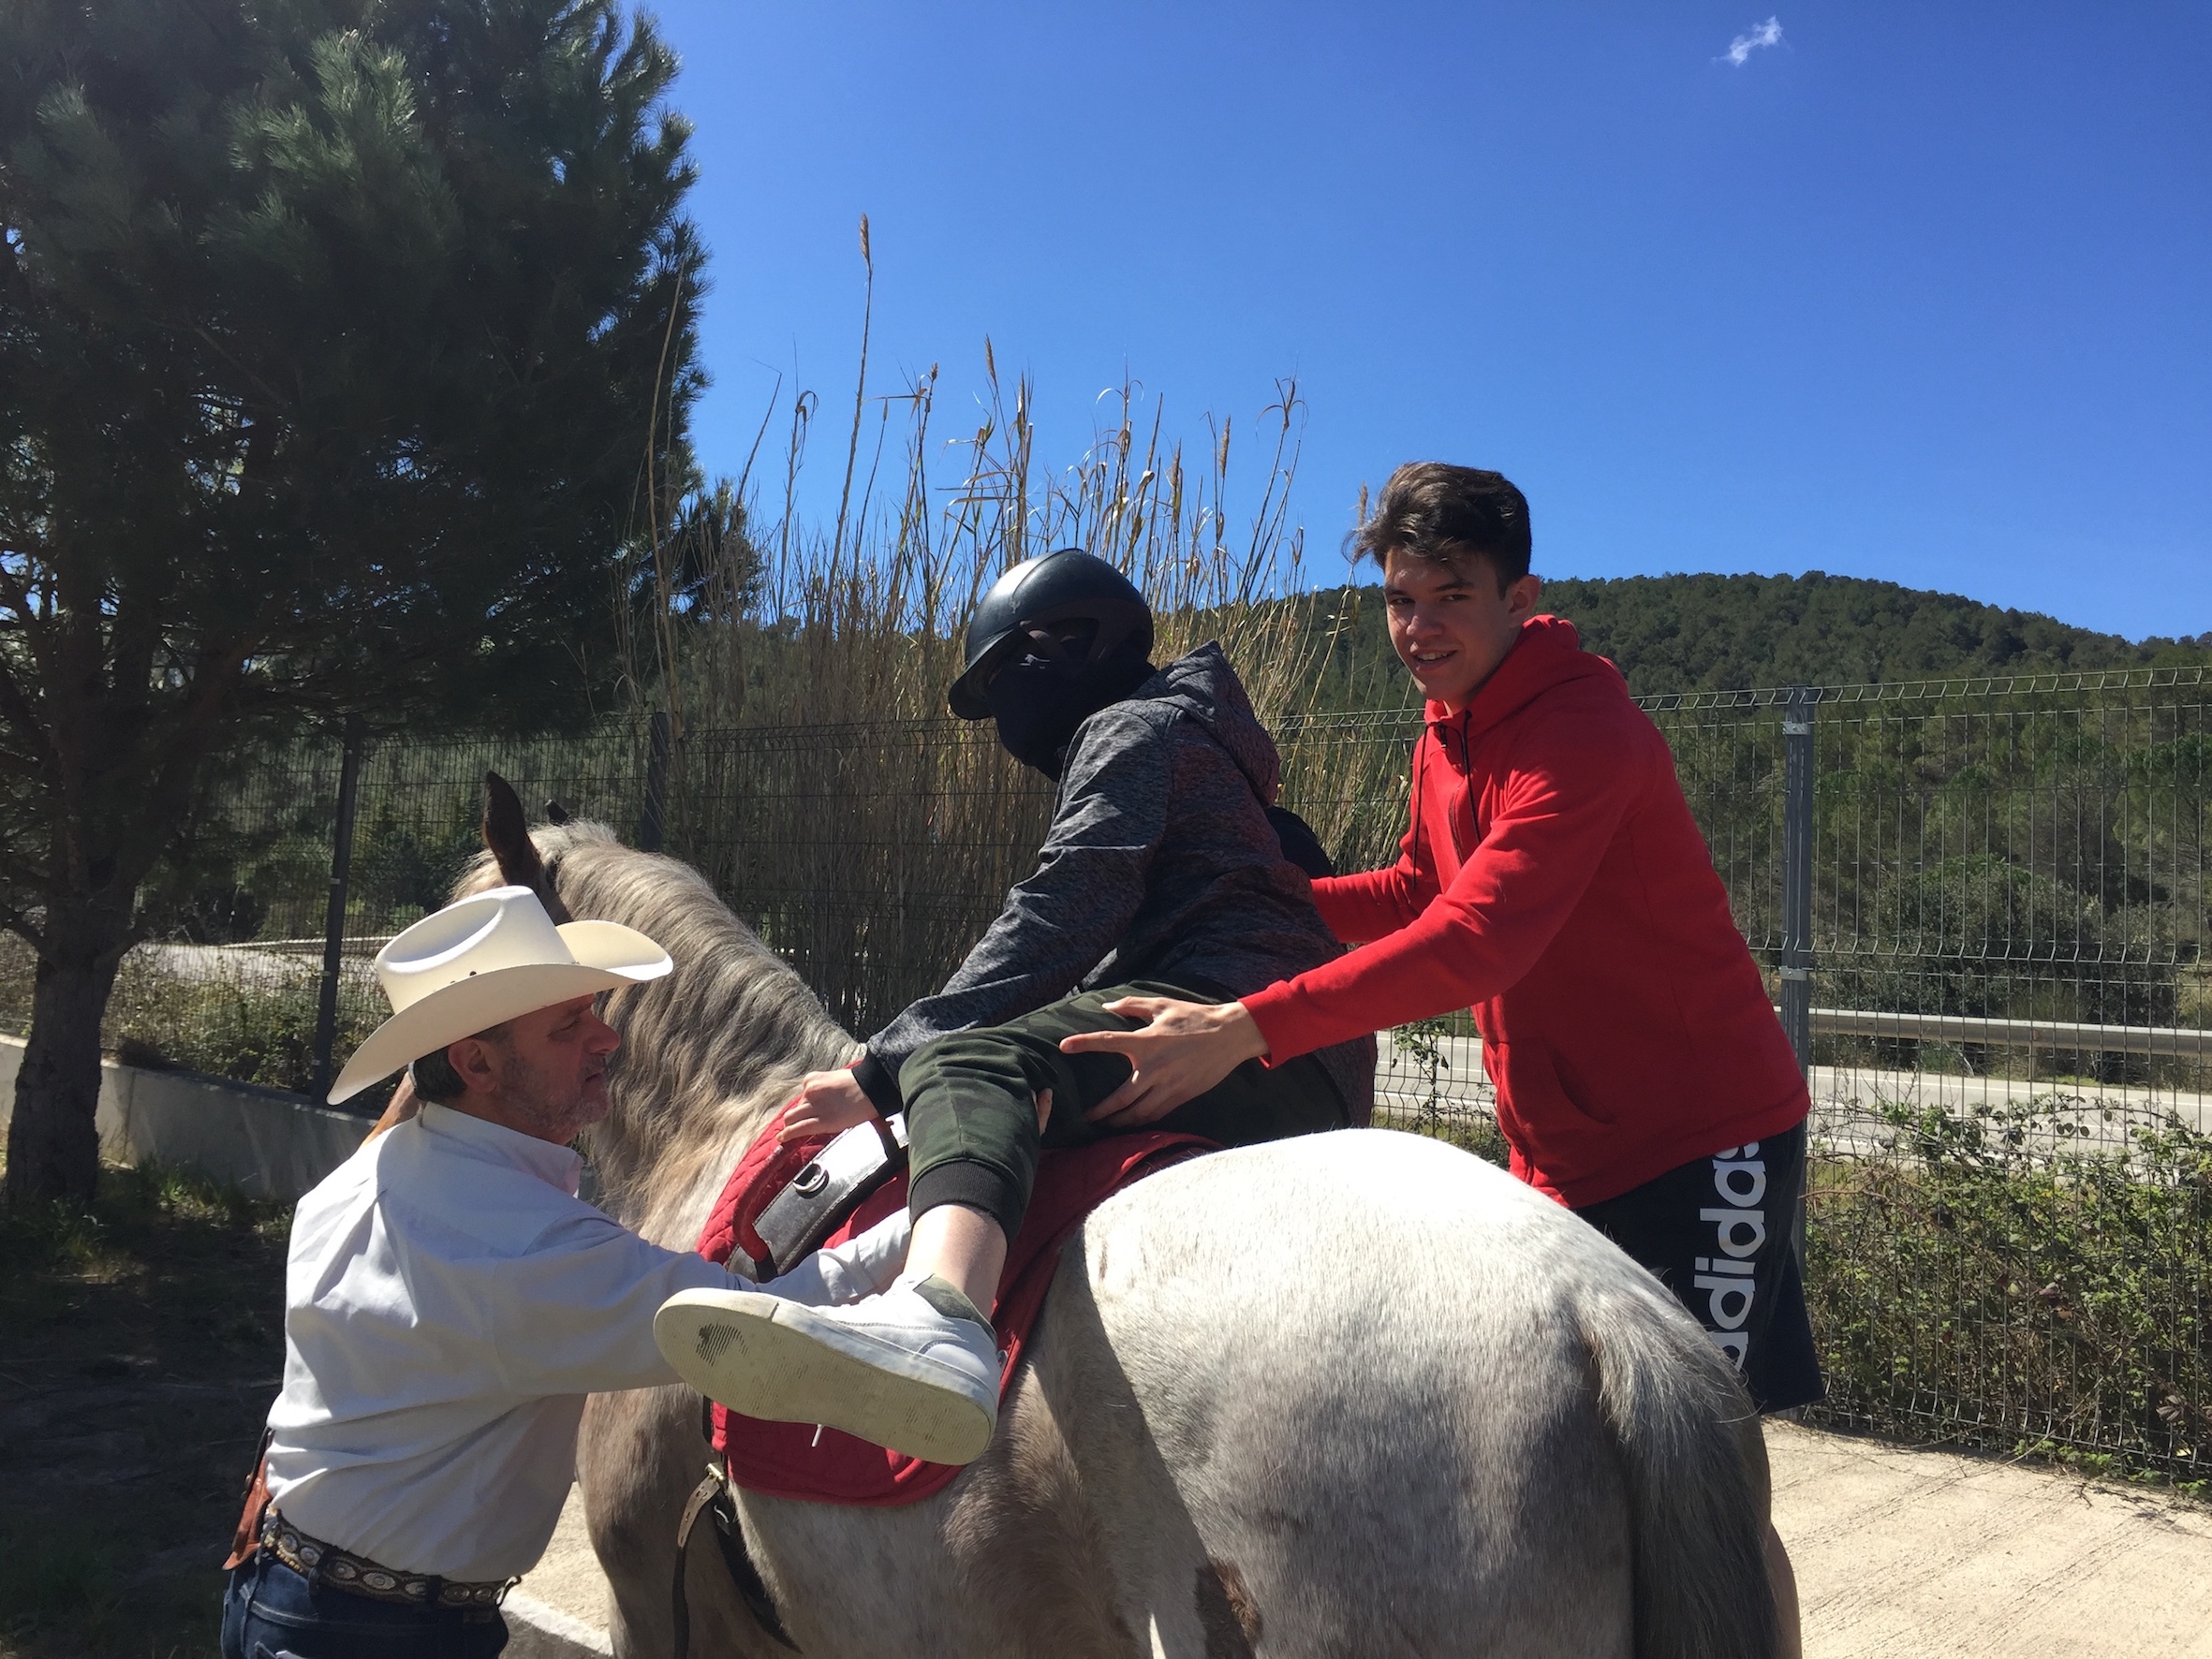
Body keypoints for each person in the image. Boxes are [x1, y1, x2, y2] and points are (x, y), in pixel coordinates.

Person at [1029, 462, 1817, 1652]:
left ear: (1520, 597)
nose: (1419, 627)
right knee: (1605, 1476)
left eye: (1450, 594)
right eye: (1400, 598)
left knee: (1709, 1486)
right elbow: (1414, 887)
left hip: (1707, 1144)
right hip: (1563, 1150)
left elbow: (1478, 936)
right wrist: (1259, 897)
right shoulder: (1446, 728)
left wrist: (1248, 1021)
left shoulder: (1583, 730)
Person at [654, 548, 1374, 1467]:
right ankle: (876, 1276)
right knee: (1013, 1101)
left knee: (966, 1066)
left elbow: (1060, 912)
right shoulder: (1217, 755)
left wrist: (882, 1068)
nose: (1005, 720)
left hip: (1211, 1020)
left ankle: (937, 1321)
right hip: (1309, 1063)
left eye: (1002, 687)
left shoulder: (1131, 730)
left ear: (1065, 645)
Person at [221, 886, 909, 1659]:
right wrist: (943, 1216)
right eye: (567, 1025)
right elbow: (756, 1321)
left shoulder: (368, 1174)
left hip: (287, 1591)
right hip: (382, 1635)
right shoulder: (522, 1246)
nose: (607, 1038)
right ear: (476, 1062)